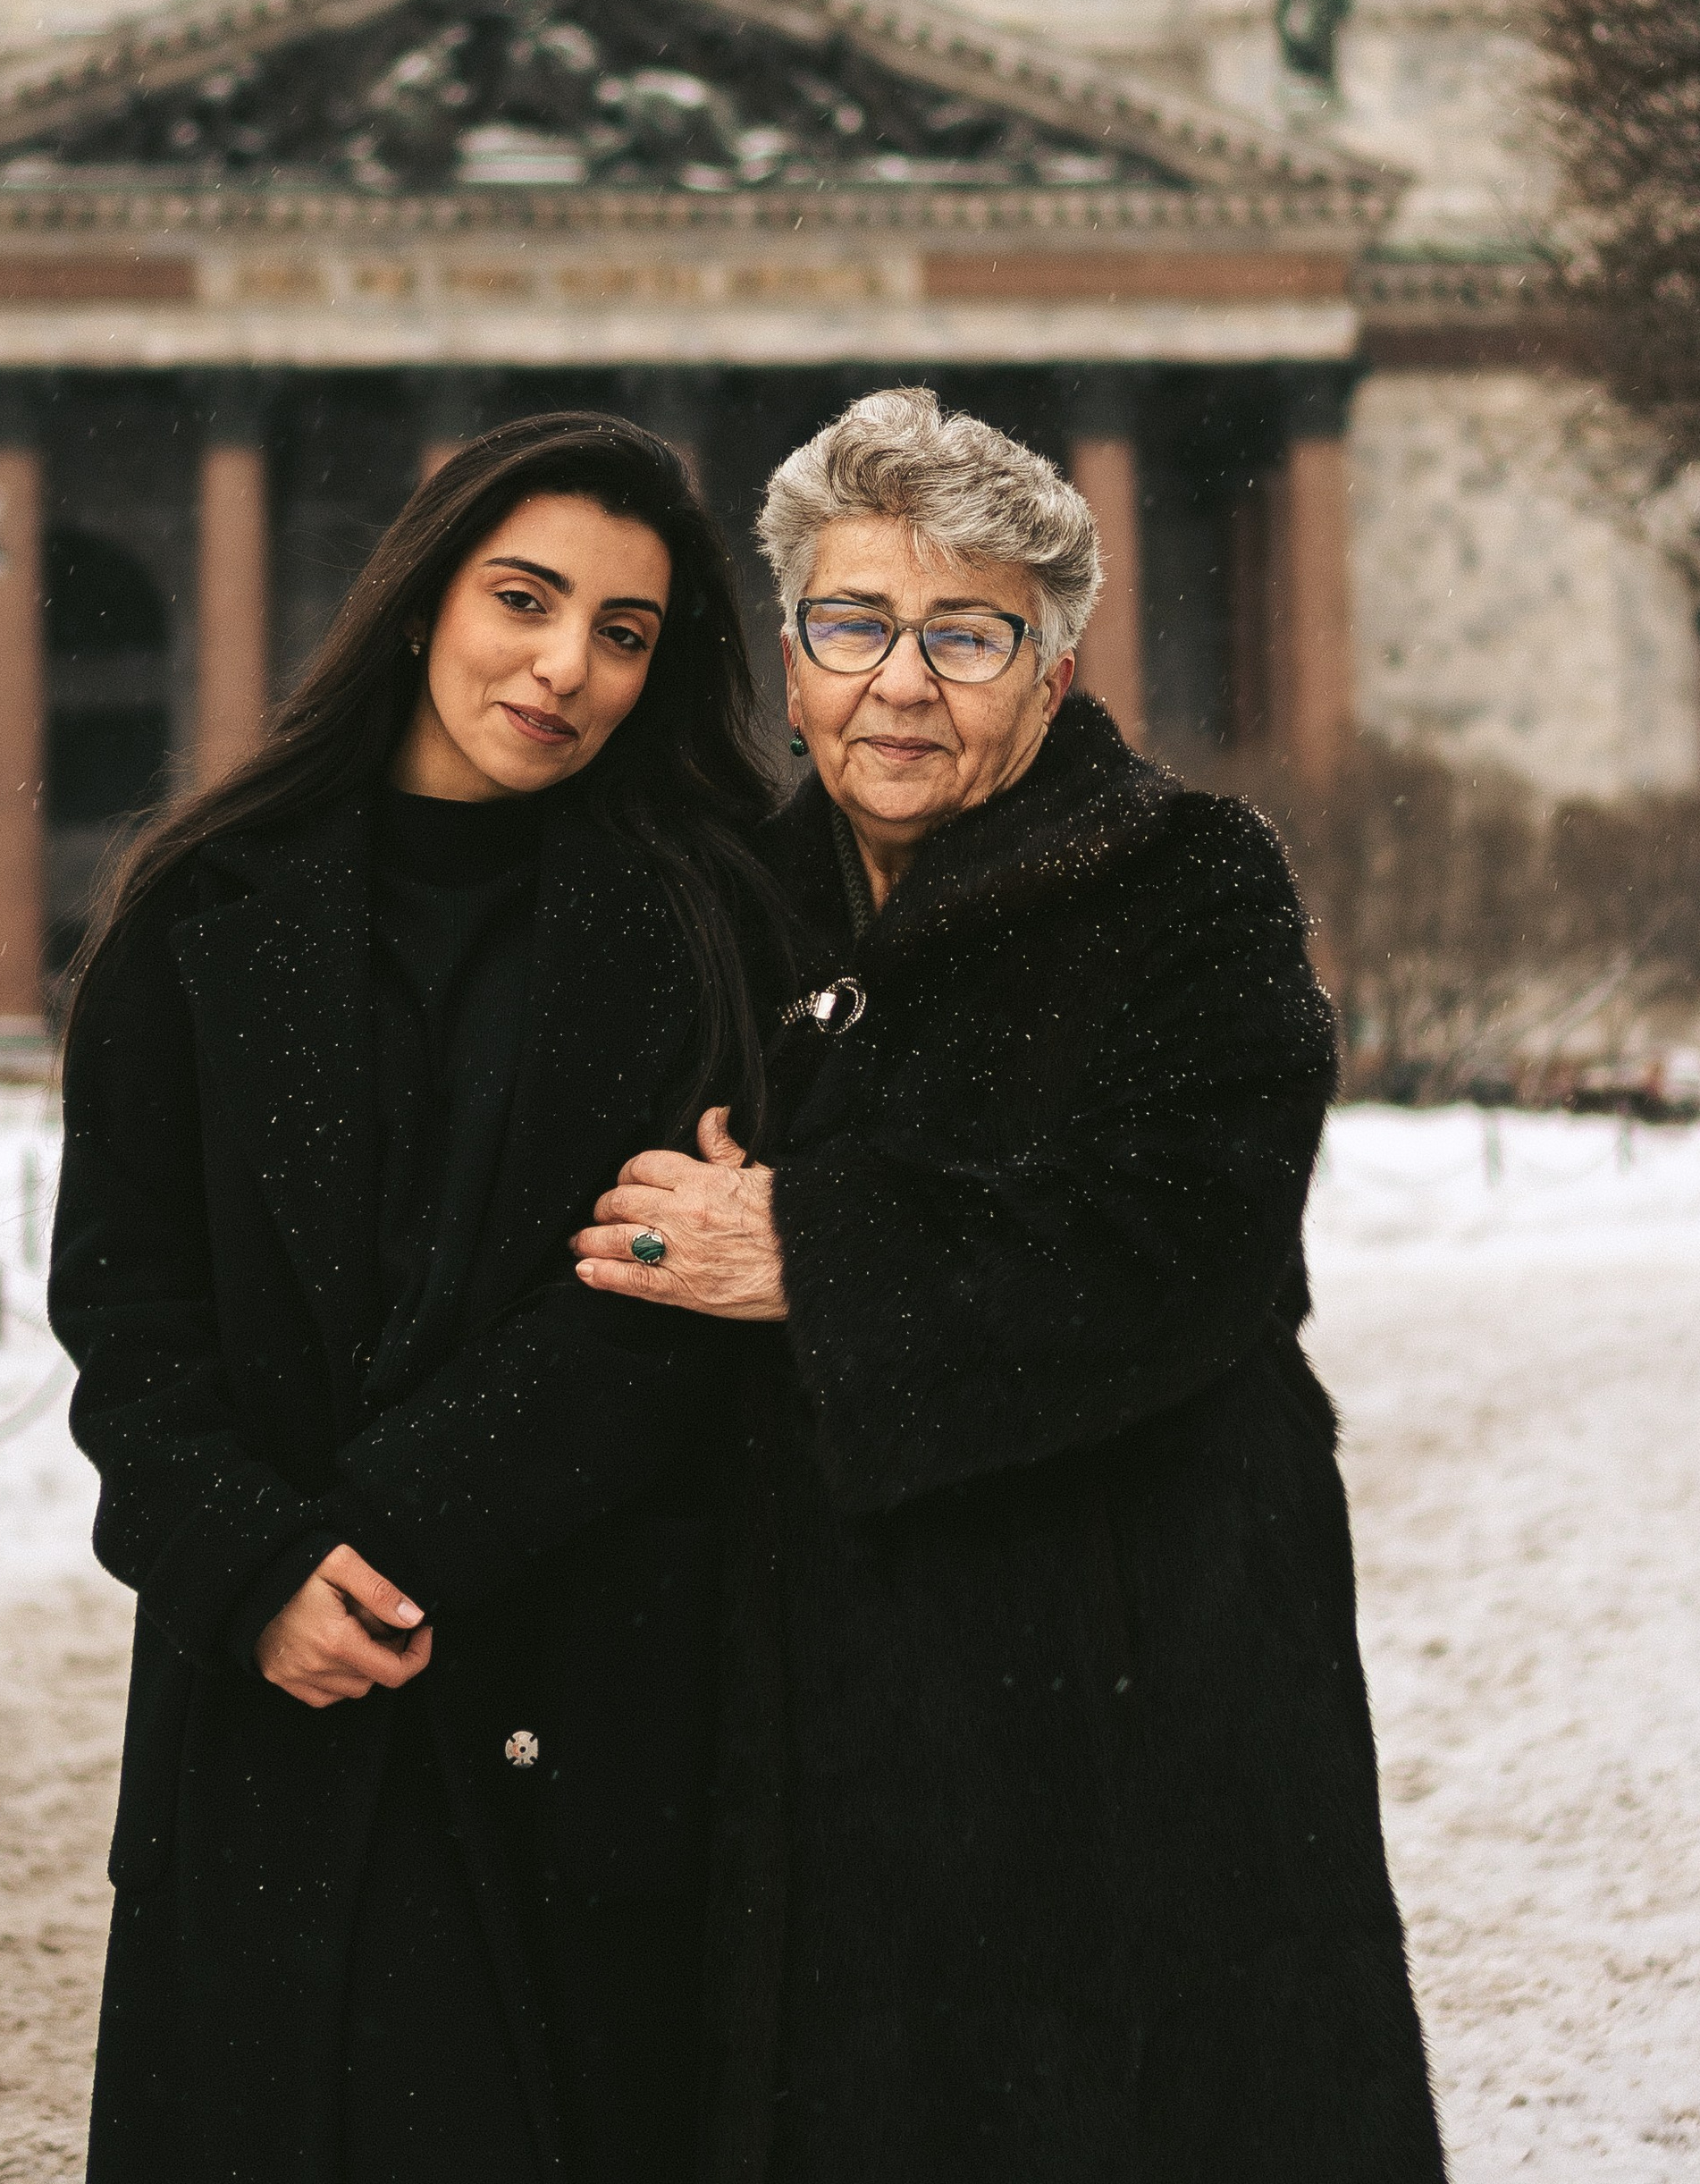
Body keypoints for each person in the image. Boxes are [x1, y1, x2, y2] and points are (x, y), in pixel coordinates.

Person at [572, 387, 1447, 2182]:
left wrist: (808, 1253)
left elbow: (1187, 1247)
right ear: (789, 660)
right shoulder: (712, 904)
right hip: (806, 1697)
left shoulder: (1185, 879)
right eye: (852, 625)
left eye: (966, 635)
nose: (900, 684)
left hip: (1130, 1675)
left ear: (1048, 673)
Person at [51, 415, 782, 2184]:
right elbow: (126, 1323)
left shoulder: (716, 915)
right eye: (521, 599)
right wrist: (248, 1568)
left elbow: (660, 1314)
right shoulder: (200, 907)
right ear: (416, 597)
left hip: (575, 1687)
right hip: (272, 1708)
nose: (562, 669)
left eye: (623, 633)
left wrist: (368, 1540)